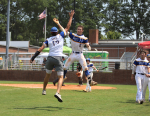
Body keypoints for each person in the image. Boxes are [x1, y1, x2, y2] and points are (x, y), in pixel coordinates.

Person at [30, 10, 75, 102]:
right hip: (58, 58)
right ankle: (57, 92)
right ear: (57, 32)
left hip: (50, 58)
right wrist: (70, 17)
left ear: (51, 33)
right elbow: (67, 27)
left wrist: (33, 58)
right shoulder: (60, 36)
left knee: (47, 75)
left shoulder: (48, 39)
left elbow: (40, 49)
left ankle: (44, 90)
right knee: (61, 77)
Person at [63, 25, 92, 92]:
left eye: (80, 29)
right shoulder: (73, 35)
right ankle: (64, 77)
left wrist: (88, 46)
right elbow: (65, 31)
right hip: (73, 54)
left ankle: (90, 80)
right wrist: (59, 24)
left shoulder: (84, 38)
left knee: (85, 68)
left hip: (80, 54)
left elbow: (88, 45)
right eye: (78, 29)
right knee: (65, 67)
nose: (78, 30)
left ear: (82, 30)